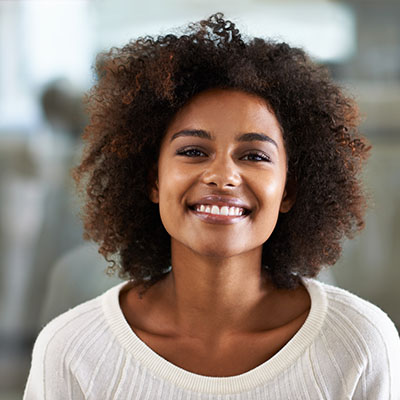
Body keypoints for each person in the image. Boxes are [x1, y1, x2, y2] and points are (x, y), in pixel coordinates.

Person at [23, 13, 400, 399]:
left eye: (254, 155)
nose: (223, 176)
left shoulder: (359, 344)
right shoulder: (73, 351)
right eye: (192, 151)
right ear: (152, 180)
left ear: (289, 190)